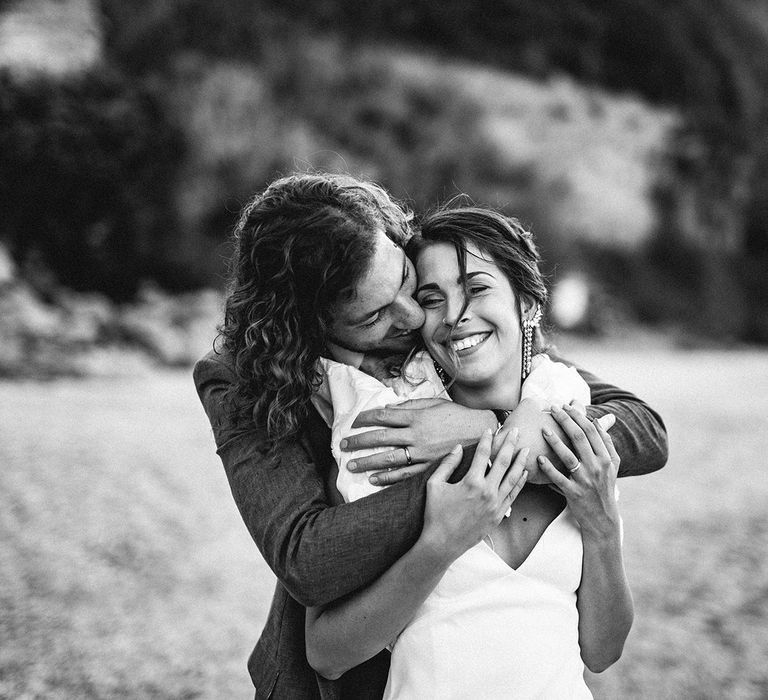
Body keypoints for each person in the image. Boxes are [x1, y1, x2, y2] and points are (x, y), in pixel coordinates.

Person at [193, 172, 668, 699]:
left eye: (404, 280)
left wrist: (488, 429)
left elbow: (640, 425)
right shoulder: (244, 380)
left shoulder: (506, 363)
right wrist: (463, 498)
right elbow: (307, 559)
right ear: (314, 327)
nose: (415, 314)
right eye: (374, 315)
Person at [305, 206, 633, 698]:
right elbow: (327, 655)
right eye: (432, 299)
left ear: (527, 304)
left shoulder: (572, 427)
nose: (455, 317)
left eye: (476, 288)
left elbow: (602, 652)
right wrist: (440, 545)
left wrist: (603, 527)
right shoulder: (391, 441)